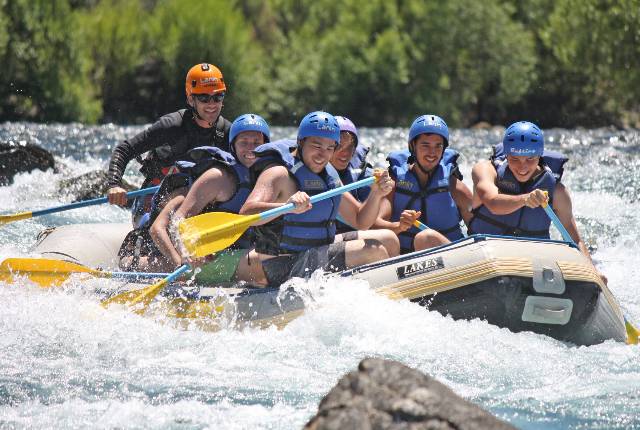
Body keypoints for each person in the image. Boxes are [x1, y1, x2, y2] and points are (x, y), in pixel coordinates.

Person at [234, 111, 400, 288]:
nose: (323, 155)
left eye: (330, 148)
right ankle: (383, 299)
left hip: (317, 249)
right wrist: (286, 206)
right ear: (301, 142)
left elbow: (360, 221)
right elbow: (246, 214)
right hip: (283, 265)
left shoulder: (328, 173)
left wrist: (376, 194)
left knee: (389, 239)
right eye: (317, 146)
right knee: (372, 251)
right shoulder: (279, 173)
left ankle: (394, 290)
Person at [468, 121, 606, 281]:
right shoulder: (485, 170)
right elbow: (492, 202)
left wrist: (592, 273)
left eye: (530, 159)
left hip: (530, 264)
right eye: (515, 159)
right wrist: (525, 199)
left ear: (540, 155)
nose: (522, 166)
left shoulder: (557, 192)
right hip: (485, 255)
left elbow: (575, 240)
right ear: (506, 154)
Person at [147, 114, 269, 283]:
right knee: (265, 261)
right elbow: (172, 224)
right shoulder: (216, 177)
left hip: (238, 250)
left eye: (257, 143)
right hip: (208, 257)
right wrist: (185, 255)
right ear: (232, 146)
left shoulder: (268, 175)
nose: (251, 148)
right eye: (244, 142)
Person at [106, 63, 232, 226]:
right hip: (155, 197)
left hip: (201, 201)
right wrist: (114, 184)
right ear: (190, 99)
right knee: (149, 225)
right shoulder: (171, 125)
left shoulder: (228, 132)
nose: (212, 104)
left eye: (217, 97)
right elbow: (124, 149)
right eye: (203, 97)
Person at [376, 114, 472, 254]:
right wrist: (399, 226)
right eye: (425, 145)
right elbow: (375, 225)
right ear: (413, 146)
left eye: (438, 146)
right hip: (404, 259)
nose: (432, 153)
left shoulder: (454, 187)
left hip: (452, 258)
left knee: (426, 238)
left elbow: (480, 232)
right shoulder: (394, 183)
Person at [330, 116, 374, 234]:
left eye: (350, 147)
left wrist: (378, 193)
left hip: (351, 235)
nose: (345, 153)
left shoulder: (364, 175)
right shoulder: (309, 172)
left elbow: (368, 221)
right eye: (339, 146)